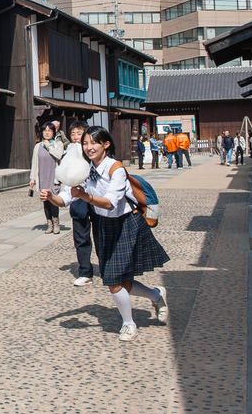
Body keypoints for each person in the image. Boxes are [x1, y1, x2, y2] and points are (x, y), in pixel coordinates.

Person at [42, 126, 170, 341]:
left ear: (106, 144)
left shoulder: (116, 169)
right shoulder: (82, 169)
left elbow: (111, 203)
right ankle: (156, 295)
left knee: (113, 280)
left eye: (94, 143)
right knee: (122, 282)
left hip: (127, 224)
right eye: (85, 143)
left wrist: (86, 197)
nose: (89, 147)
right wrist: (50, 198)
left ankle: (129, 324)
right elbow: (64, 199)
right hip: (102, 226)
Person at [58, 120, 94, 286]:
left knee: (102, 235)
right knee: (81, 237)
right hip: (77, 199)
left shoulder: (93, 152)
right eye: (72, 134)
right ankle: (85, 271)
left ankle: (109, 269)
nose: (75, 137)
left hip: (96, 198)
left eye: (79, 133)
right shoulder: (69, 152)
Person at [30, 121, 63, 234]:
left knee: (53, 201)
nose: (47, 133)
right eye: (45, 131)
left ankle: (56, 223)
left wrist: (49, 146)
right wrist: (32, 179)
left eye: (49, 131)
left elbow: (59, 156)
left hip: (53, 177)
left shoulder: (58, 144)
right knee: (46, 202)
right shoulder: (38, 146)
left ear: (54, 132)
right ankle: (49, 224)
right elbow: (35, 163)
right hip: (42, 177)